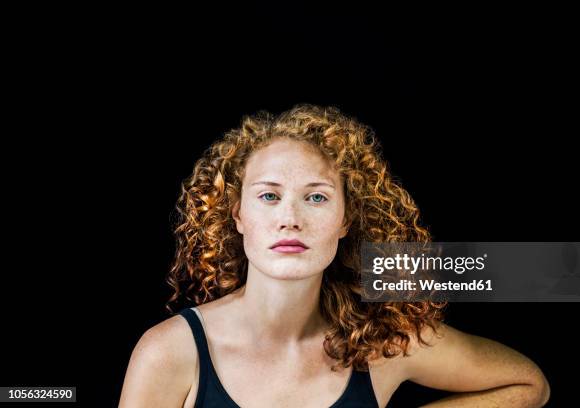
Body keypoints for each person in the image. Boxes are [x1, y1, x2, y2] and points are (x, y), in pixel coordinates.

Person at [119, 104, 550, 407]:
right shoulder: (170, 352)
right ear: (238, 216)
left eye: (317, 198)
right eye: (269, 196)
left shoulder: (382, 345)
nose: (290, 218)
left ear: (346, 221)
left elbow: (528, 384)